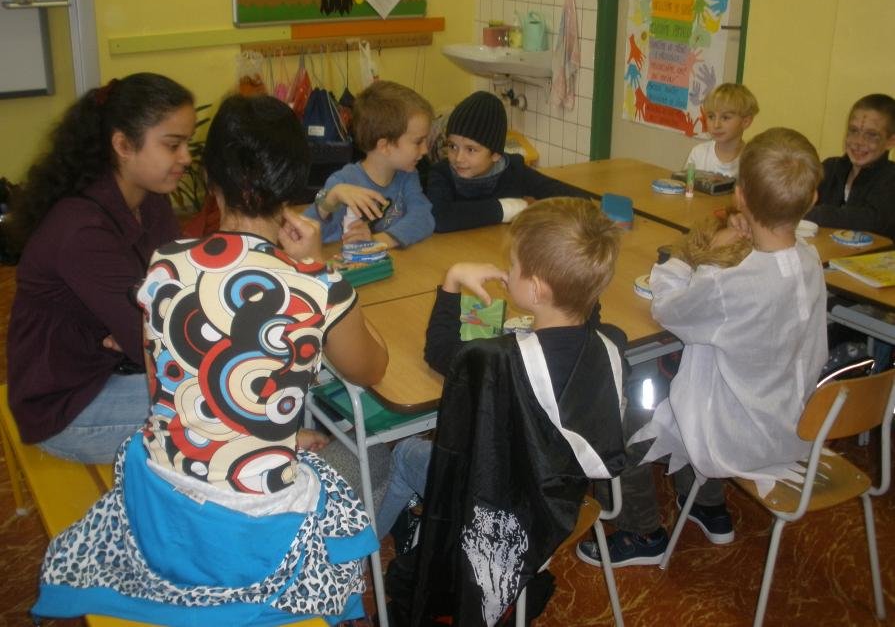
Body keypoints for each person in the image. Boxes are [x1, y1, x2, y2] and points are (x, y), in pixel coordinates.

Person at [32, 95, 390, 625]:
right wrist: (319, 269)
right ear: (295, 183)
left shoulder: (164, 265)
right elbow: (372, 369)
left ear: (210, 178)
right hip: (257, 536)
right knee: (375, 458)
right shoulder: (316, 285)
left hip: (163, 513)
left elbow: (163, 389)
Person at [577, 127, 827, 568]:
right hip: (796, 427)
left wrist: (694, 256)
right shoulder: (809, 260)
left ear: (740, 196)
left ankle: (642, 532)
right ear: (811, 200)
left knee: (622, 413)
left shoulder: (731, 282)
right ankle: (708, 506)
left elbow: (668, 307)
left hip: (738, 436)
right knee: (694, 385)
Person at [382, 198, 627, 625]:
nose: (507, 272)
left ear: (536, 290)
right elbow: (586, 322)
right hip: (563, 504)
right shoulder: (611, 344)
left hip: (496, 517)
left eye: (513, 266)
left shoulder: (495, 360)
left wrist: (451, 280)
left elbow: (440, 351)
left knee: (404, 454)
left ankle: (353, 563)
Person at [6, 73, 195, 464]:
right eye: (172, 145)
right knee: (215, 408)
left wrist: (139, 334)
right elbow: (156, 341)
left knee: (223, 394)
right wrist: (141, 335)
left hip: (115, 369)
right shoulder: (81, 229)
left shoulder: (151, 201)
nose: (186, 158)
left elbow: (174, 300)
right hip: (68, 406)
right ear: (123, 145)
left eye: (187, 143)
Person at [425, 90, 592, 232]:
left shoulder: (514, 171)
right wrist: (510, 208)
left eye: (471, 149)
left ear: (496, 154)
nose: (458, 158)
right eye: (453, 146)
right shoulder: (441, 174)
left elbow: (573, 197)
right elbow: (439, 218)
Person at [304, 80, 435, 247]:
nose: (425, 150)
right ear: (385, 146)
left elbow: (423, 217)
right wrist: (331, 197)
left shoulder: (407, 176)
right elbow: (304, 229)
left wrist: (376, 241)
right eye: (418, 142)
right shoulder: (342, 182)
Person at [805, 93, 895, 240]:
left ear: (891, 141)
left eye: (871, 135)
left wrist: (813, 213)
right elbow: (799, 197)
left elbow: (870, 220)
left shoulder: (890, 178)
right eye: (853, 131)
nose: (858, 142)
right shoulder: (830, 167)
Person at [685, 82, 759, 178]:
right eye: (711, 117)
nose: (716, 125)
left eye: (725, 117)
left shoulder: (753, 162)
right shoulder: (698, 154)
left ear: (745, 122)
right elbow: (686, 185)